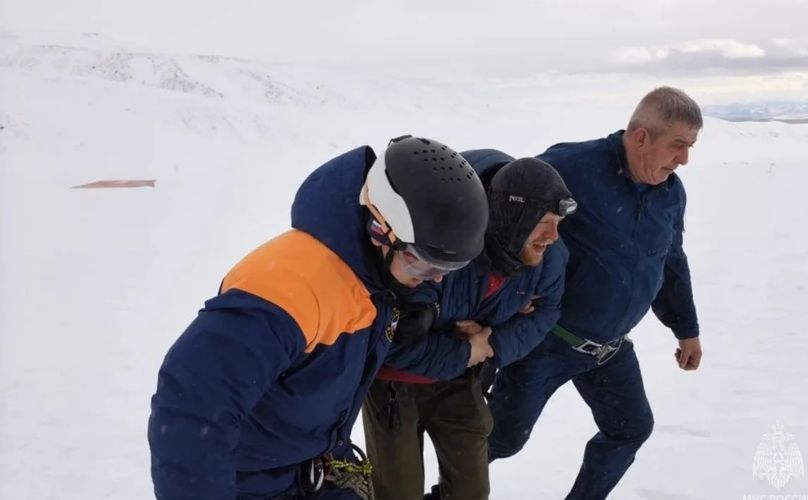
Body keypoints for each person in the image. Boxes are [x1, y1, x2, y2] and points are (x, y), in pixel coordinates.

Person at [147, 135, 492, 500]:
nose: (436, 279)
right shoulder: (289, 288)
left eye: (449, 268)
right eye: (424, 264)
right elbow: (192, 408)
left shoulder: (376, 280)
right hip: (248, 484)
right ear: (379, 229)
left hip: (313, 469)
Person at [488, 87, 705, 500]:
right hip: (546, 341)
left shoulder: (671, 193)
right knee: (501, 440)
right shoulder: (572, 167)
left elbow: (670, 262)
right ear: (641, 137)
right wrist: (506, 294)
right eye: (678, 146)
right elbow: (506, 216)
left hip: (609, 348)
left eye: (690, 147)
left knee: (630, 429)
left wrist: (686, 329)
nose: (684, 160)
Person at [362, 153, 575, 500]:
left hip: (461, 379)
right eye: (542, 223)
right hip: (395, 385)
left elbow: (548, 310)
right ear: (514, 217)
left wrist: (491, 346)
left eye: (557, 223)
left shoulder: (545, 258)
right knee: (397, 492)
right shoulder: (446, 238)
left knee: (470, 491)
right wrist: (464, 350)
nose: (552, 236)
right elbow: (395, 340)